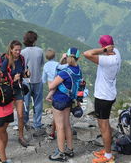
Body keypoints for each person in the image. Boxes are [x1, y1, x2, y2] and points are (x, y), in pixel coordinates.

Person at [83, 35, 121, 163]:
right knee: (103, 124)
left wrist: (103, 50)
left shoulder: (108, 60)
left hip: (103, 97)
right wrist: (107, 49)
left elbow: (87, 54)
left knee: (104, 126)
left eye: (101, 45)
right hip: (107, 94)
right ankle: (107, 150)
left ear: (105, 46)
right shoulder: (116, 52)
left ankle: (109, 156)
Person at [48, 48, 81, 162]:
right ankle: (69, 149)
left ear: (66, 56)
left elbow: (51, 86)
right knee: (67, 125)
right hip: (68, 100)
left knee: (60, 126)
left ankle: (61, 153)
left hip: (59, 100)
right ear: (78, 58)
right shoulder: (78, 70)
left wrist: (61, 61)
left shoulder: (65, 72)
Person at [1, 40, 28, 147]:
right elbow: (1, 77)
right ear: (11, 50)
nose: (18, 52)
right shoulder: (6, 61)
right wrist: (12, 78)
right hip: (8, 90)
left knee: (21, 115)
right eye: (16, 50)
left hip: (18, 89)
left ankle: (21, 137)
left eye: (19, 50)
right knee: (7, 115)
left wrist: (25, 74)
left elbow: (22, 73)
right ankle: (1, 134)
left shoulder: (21, 59)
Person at [21, 31, 45, 136]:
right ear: (35, 40)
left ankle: (25, 122)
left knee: (25, 103)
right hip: (38, 79)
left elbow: (21, 66)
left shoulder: (22, 52)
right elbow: (41, 64)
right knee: (38, 102)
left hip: (26, 81)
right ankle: (37, 123)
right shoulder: (40, 51)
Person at [42, 49, 67, 140]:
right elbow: (63, 68)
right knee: (62, 114)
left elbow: (43, 79)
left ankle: (53, 132)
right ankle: (62, 133)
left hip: (49, 83)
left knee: (56, 112)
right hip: (57, 83)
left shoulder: (45, 65)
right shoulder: (57, 64)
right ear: (54, 56)